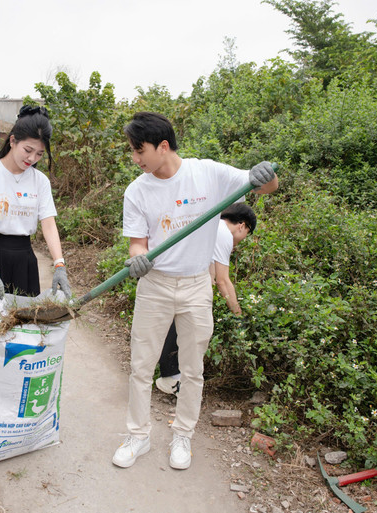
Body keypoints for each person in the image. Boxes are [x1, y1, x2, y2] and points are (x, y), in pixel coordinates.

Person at [112, 112, 278, 470]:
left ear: (164, 146)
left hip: (196, 285)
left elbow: (264, 186)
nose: (135, 159)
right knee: (142, 366)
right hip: (154, 286)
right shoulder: (136, 191)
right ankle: (137, 436)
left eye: (139, 151)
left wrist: (268, 175)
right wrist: (138, 259)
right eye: (133, 152)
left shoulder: (208, 173)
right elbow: (137, 245)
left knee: (192, 369)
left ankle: (182, 437)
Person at [0, 105, 72, 413]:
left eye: (39, 154)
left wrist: (60, 265)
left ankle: (14, 399)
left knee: (23, 330)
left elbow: (48, 224)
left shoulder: (39, 182)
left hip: (24, 257)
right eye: (28, 150)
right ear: (12, 141)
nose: (32, 159)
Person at [155, 203, 258, 396]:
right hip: (175, 277)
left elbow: (210, 276)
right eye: (247, 234)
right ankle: (169, 377)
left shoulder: (213, 227)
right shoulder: (223, 233)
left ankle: (169, 375)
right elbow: (223, 281)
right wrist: (238, 316)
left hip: (166, 272)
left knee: (181, 319)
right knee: (185, 321)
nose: (244, 239)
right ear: (242, 226)